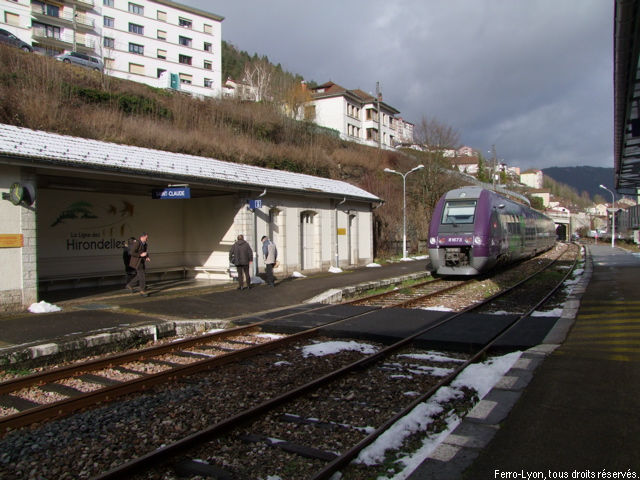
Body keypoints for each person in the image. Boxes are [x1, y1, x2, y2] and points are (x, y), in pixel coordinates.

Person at [126, 232, 150, 296]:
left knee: (140, 275)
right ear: (142, 237)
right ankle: (142, 291)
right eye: (146, 237)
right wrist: (140, 255)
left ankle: (130, 285)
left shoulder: (145, 244)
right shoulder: (137, 243)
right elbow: (131, 252)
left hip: (141, 261)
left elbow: (145, 252)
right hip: (137, 262)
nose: (147, 239)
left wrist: (147, 257)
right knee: (142, 276)